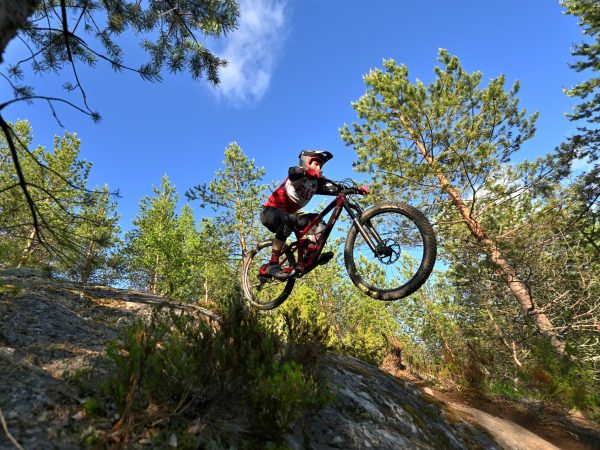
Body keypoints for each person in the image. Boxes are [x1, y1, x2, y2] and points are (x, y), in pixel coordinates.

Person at [260, 150, 337, 280]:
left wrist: (355, 189)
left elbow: (335, 188)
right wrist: (308, 172)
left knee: (315, 219)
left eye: (320, 166)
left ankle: (310, 252)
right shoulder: (298, 173)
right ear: (306, 162)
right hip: (269, 212)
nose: (318, 168)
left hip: (289, 217)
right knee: (290, 219)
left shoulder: (315, 184)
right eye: (315, 164)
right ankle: (273, 263)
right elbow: (293, 172)